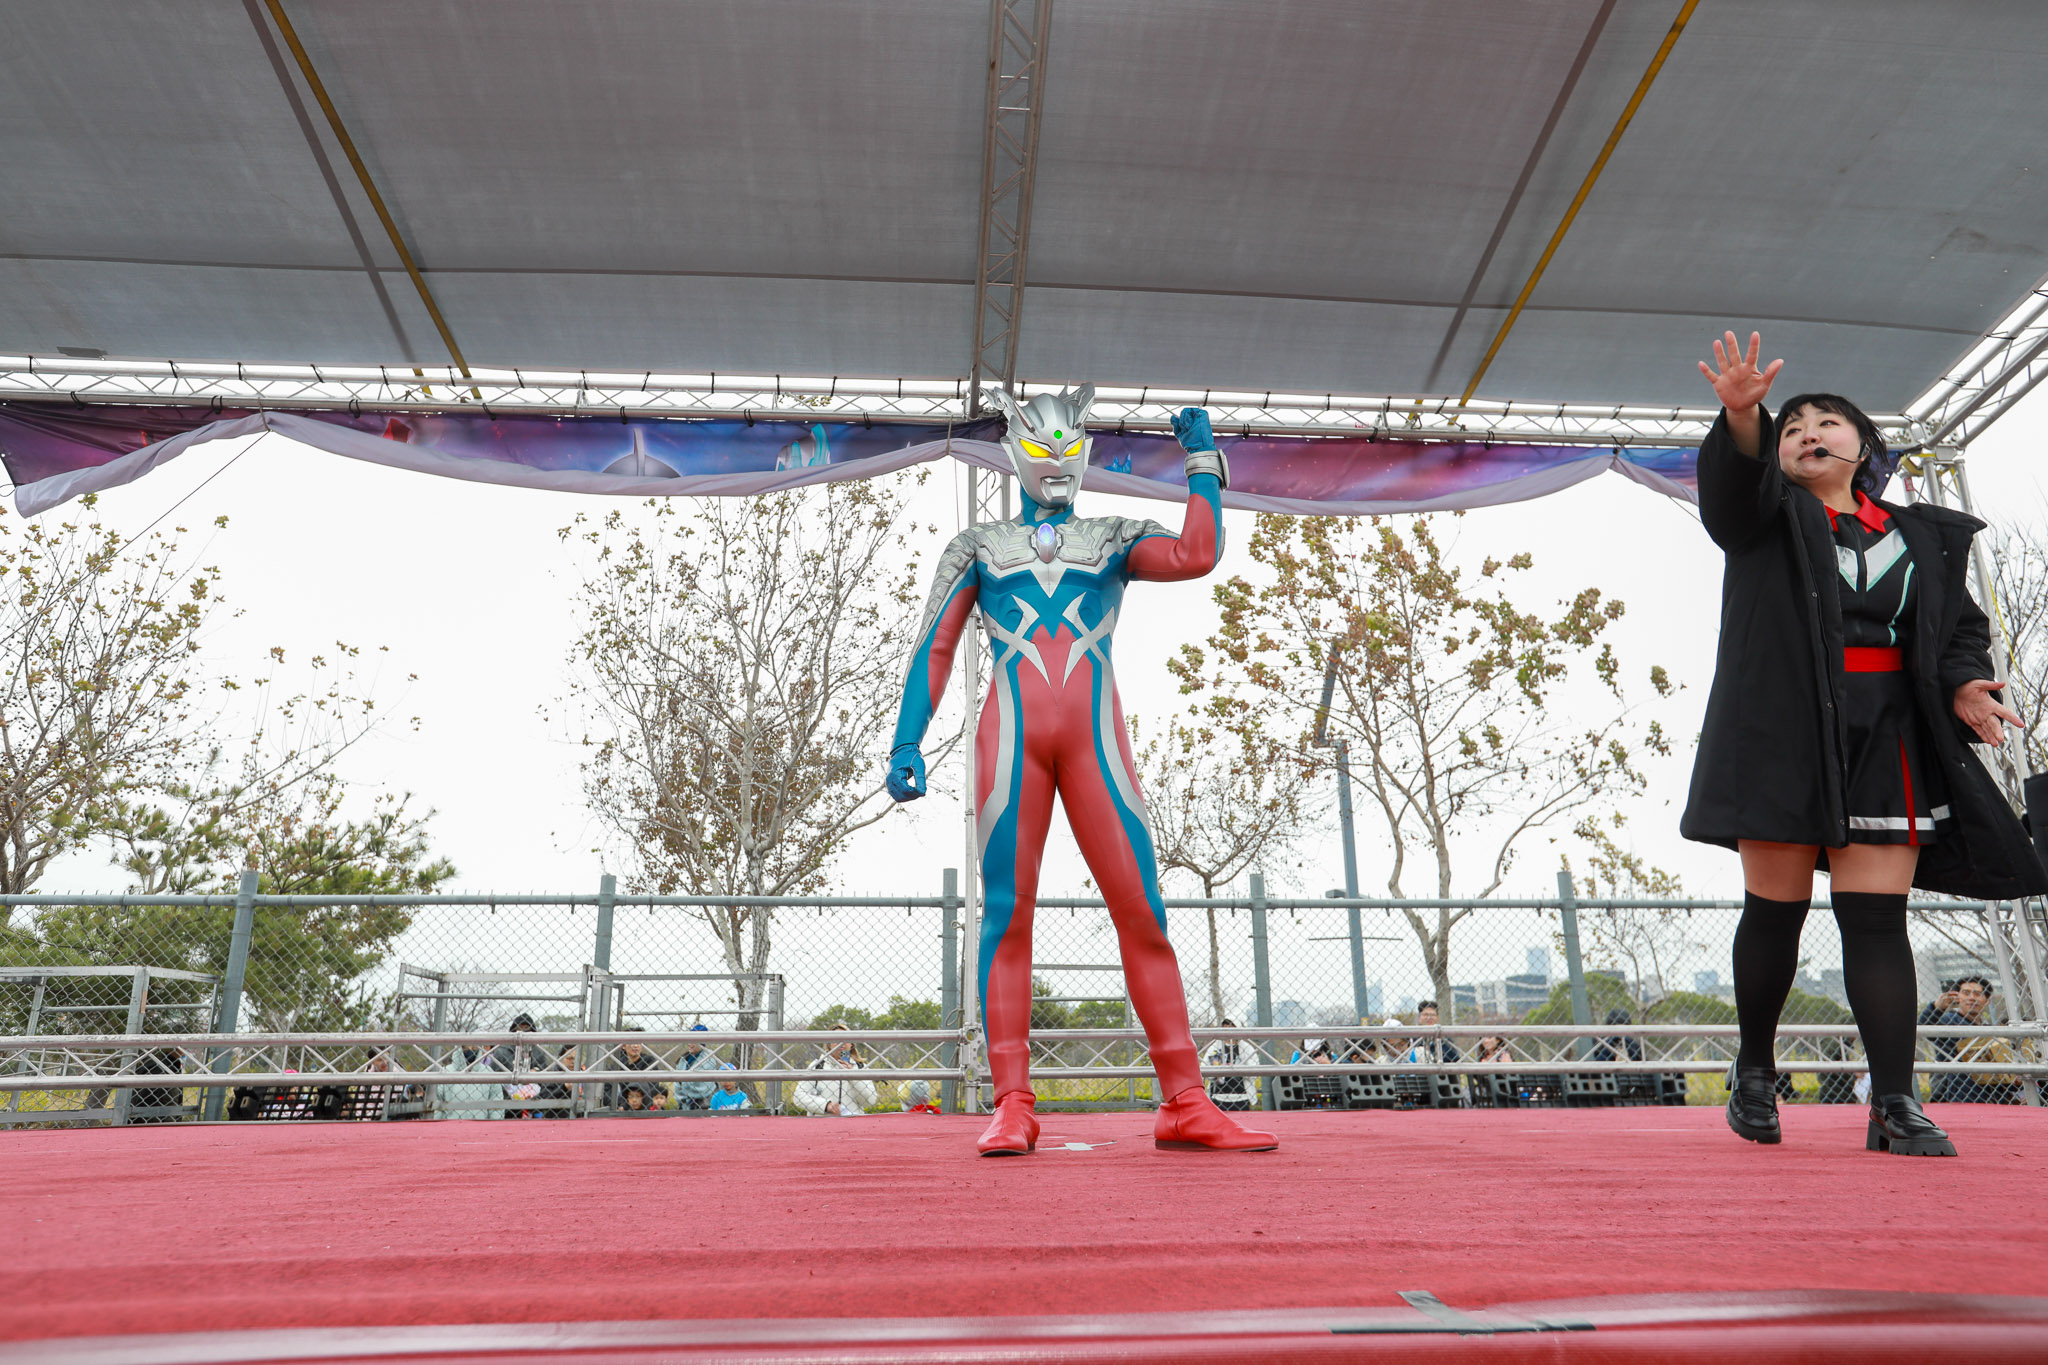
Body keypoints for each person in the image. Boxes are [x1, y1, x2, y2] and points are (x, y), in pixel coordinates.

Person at [884, 392, 1274, 1155]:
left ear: (1086, 451)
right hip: (1013, 740)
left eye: (1071, 445)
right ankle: (1012, 1101)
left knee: (1142, 907)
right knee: (1006, 913)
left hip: (1093, 739)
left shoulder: (1111, 536)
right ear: (1013, 450)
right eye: (1041, 446)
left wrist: (1202, 464)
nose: (1057, 460)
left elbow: (1196, 554)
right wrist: (906, 740)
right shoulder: (979, 545)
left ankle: (1185, 1098)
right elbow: (934, 644)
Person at [1686, 332, 2048, 1157]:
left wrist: (1963, 683)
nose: (1807, 432)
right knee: (1773, 912)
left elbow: (1957, 630)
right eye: (1792, 427)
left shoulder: (1921, 536)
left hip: (1888, 733)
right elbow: (1732, 493)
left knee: (1878, 920)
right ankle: (1754, 1073)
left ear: (1864, 446)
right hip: (1781, 731)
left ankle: (1894, 1101)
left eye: (1827, 422)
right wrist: (1742, 417)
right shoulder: (1765, 518)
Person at [792, 1023, 877, 1116]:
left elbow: (870, 1100)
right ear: (829, 1045)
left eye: (845, 1039)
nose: (841, 1043)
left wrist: (853, 1076)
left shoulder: (861, 1067)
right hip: (822, 1123)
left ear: (851, 1044)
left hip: (853, 1122)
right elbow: (798, 1097)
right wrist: (826, 1105)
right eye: (836, 1039)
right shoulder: (818, 1066)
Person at [604, 1028, 671, 1111]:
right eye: (631, 1042)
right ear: (623, 1046)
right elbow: (607, 1090)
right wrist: (621, 1104)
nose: (635, 1046)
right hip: (620, 1107)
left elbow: (651, 1089)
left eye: (639, 1042)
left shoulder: (649, 1062)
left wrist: (627, 1105)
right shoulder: (617, 1064)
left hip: (643, 1108)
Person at [1201, 1020, 1255, 1111]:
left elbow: (1254, 1070)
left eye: (1231, 1028)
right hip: (1218, 1097)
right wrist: (1217, 1071)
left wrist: (1237, 1069)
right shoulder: (1215, 1047)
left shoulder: (1246, 1048)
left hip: (1242, 1097)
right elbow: (1204, 1067)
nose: (1228, 1032)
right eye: (1225, 1029)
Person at [672, 1023, 722, 1110]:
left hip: (704, 1105)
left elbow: (700, 1087)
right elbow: (677, 1084)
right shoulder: (683, 1059)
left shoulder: (709, 1057)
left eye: (693, 1041)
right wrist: (683, 1095)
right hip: (684, 1105)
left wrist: (683, 1083)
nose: (690, 1044)